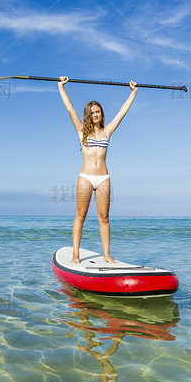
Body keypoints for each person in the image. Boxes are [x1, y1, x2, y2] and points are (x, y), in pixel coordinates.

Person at [58, 76, 138, 264]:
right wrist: (61, 87)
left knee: (104, 217)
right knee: (81, 216)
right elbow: (69, 109)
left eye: (98, 111)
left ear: (102, 113)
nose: (96, 114)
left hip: (103, 178)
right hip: (85, 177)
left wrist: (133, 92)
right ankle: (75, 255)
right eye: (93, 112)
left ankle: (107, 255)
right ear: (88, 114)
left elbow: (121, 113)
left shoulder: (107, 131)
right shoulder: (81, 130)